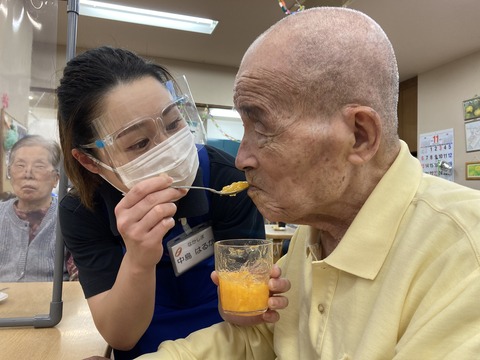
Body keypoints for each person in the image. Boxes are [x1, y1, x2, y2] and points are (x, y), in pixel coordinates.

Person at [137, 7, 480, 359]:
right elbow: (256, 340)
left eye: (263, 126)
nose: (241, 159)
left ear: (359, 136)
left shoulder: (465, 258)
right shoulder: (314, 229)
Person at [56, 46, 279, 360]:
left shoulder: (226, 181)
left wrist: (257, 303)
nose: (171, 149)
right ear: (89, 161)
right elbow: (121, 336)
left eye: (173, 124)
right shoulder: (83, 211)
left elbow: (246, 309)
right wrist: (139, 260)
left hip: (226, 345)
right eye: (139, 143)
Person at [0, 134, 62, 281]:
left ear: (55, 179)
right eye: (20, 166)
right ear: (10, 173)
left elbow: (82, 282)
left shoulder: (69, 218)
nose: (27, 174)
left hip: (50, 302)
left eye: (39, 167)